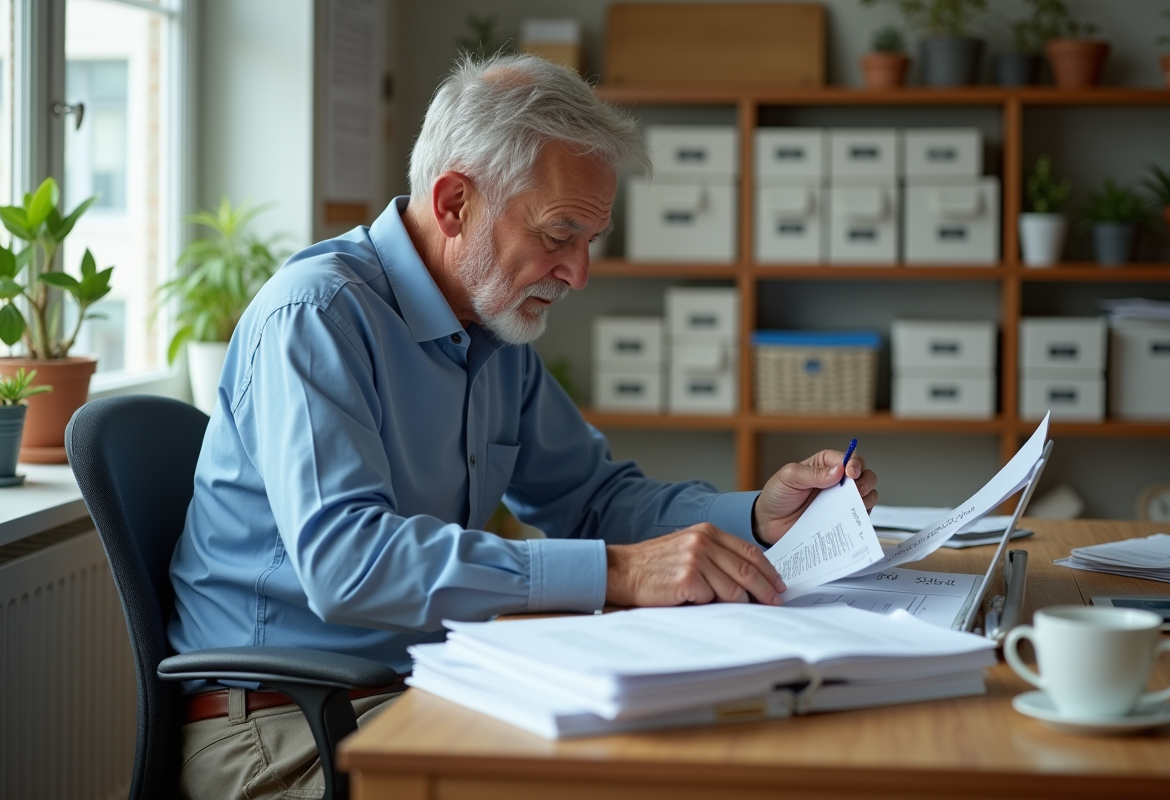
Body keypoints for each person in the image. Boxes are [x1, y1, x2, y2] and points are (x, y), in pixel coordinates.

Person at [169, 53, 877, 799]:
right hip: (281, 730)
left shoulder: (492, 326)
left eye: (589, 241)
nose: (578, 273)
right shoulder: (316, 318)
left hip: (414, 689)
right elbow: (350, 564)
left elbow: (592, 496)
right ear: (453, 206)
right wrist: (618, 572)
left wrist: (757, 517)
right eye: (558, 233)